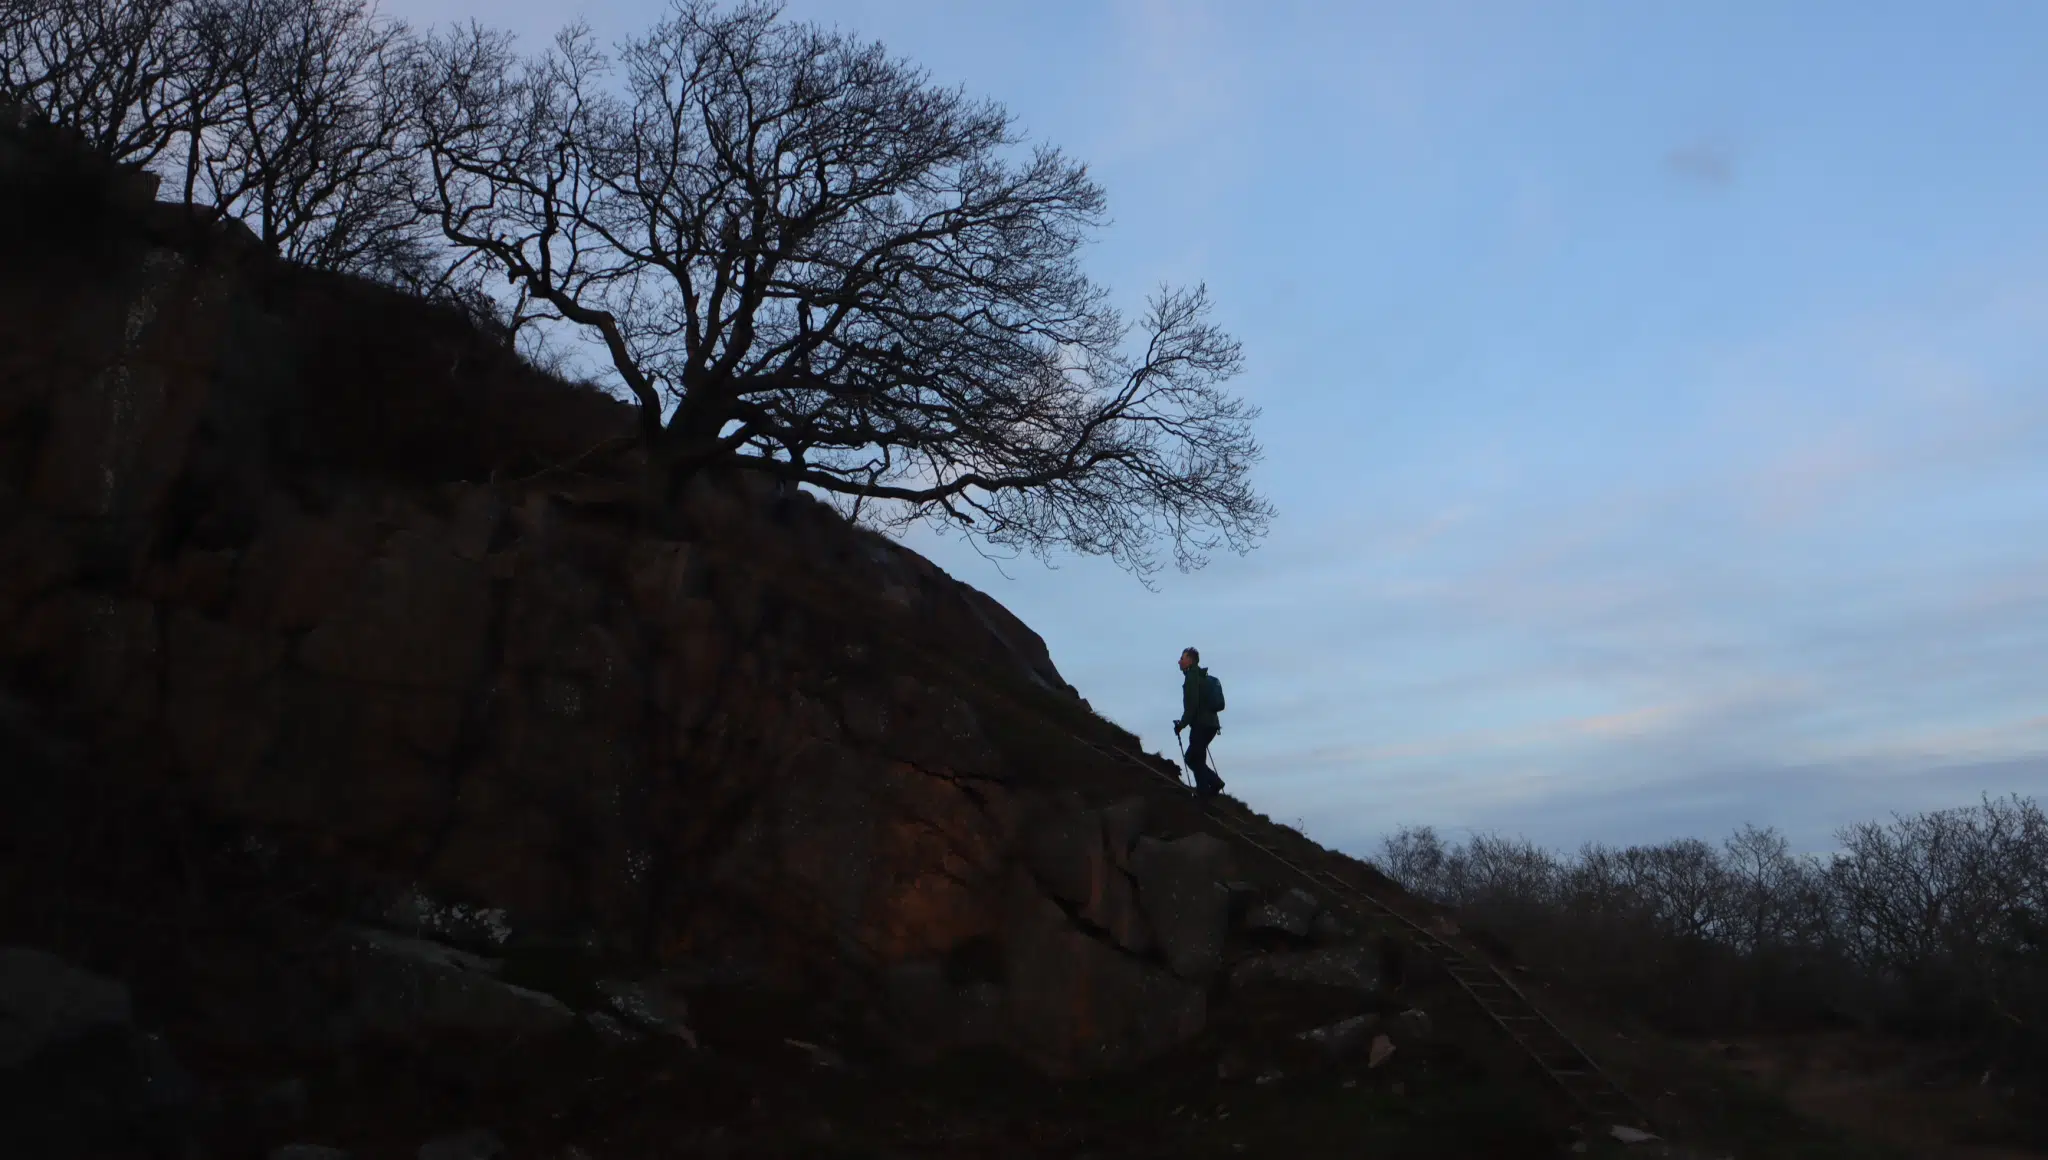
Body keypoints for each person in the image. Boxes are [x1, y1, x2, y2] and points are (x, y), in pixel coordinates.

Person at [1173, 647, 1225, 800]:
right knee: (1196, 758)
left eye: (1182, 658)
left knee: (1192, 758)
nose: (1179, 661)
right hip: (1211, 725)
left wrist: (1181, 724)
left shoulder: (1192, 678)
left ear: (1190, 660)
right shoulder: (1202, 677)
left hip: (1201, 725)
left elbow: (1192, 706)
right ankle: (1207, 790)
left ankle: (1210, 788)